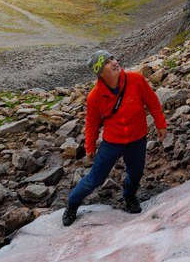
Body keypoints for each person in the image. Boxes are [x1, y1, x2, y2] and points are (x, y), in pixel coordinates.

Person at [62, 50, 167, 226]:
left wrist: (161, 123)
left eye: (113, 58)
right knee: (94, 179)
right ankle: (72, 205)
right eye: (107, 62)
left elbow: (152, 101)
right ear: (100, 71)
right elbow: (92, 124)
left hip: (137, 139)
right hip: (112, 143)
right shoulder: (95, 96)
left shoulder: (136, 80)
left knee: (136, 173)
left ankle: (129, 197)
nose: (114, 62)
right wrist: (90, 147)